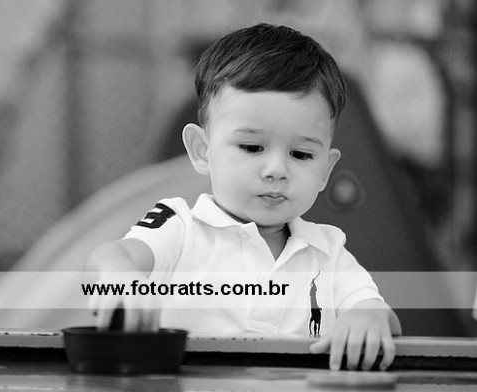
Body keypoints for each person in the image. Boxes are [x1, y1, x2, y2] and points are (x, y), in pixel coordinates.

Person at [86, 23, 401, 371]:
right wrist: (120, 277)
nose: (276, 170)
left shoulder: (327, 252)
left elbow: (373, 309)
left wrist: (367, 318)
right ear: (202, 150)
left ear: (326, 169)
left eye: (301, 154)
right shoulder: (181, 227)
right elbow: (112, 255)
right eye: (252, 147)